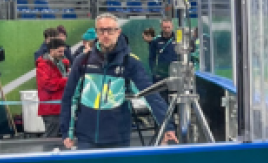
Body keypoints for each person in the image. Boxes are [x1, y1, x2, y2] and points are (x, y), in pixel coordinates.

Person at [60, 13, 178, 150]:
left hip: (118, 138)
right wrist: (66, 132)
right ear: (97, 33)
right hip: (86, 138)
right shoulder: (82, 61)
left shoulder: (130, 63)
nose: (106, 34)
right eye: (101, 30)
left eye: (110, 30)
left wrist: (167, 126)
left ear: (118, 32)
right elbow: (69, 98)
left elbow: (150, 95)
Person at [35, 38, 70, 138]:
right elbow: (48, 84)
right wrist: (66, 80)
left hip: (61, 106)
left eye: (63, 51)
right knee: (51, 138)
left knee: (62, 138)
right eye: (60, 51)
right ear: (51, 51)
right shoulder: (43, 66)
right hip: (50, 108)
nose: (62, 54)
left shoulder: (63, 63)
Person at [148, 19, 178, 83]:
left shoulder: (178, 39)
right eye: (165, 27)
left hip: (175, 72)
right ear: (161, 27)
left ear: (172, 26)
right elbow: (151, 58)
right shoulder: (156, 40)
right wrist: (154, 72)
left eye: (168, 27)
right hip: (162, 73)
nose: (167, 29)